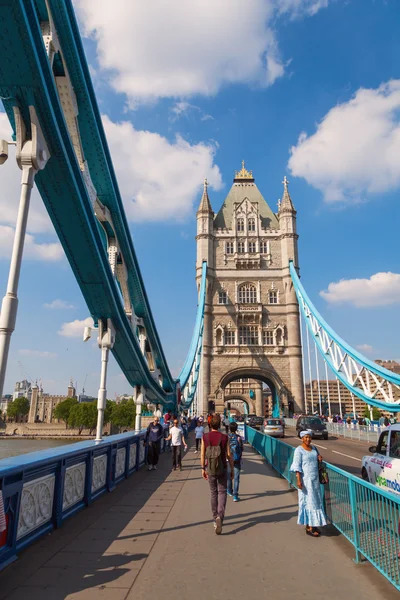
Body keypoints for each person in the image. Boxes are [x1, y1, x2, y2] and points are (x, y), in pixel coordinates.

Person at [201, 414, 234, 535]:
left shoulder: (205, 437)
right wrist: (232, 469)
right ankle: (220, 516)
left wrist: (202, 468)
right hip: (222, 468)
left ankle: (215, 518)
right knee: (222, 492)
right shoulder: (225, 437)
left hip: (210, 468)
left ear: (210, 424)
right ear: (220, 424)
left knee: (213, 493)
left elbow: (203, 454)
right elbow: (229, 454)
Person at [290, 430, 327, 537]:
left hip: (315, 480)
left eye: (309, 437)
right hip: (305, 480)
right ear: (302, 438)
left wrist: (319, 458)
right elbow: (297, 466)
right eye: (306, 437)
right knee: (307, 502)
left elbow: (318, 457)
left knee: (315, 502)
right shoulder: (299, 450)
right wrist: (298, 480)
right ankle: (309, 526)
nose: (308, 439)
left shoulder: (314, 448)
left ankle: (314, 524)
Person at [227, 421, 243, 502]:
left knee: (229, 477)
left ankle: (229, 491)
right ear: (236, 429)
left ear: (229, 428)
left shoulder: (226, 437)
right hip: (237, 460)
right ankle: (235, 496)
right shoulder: (238, 437)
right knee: (236, 478)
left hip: (228, 459)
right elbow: (241, 448)